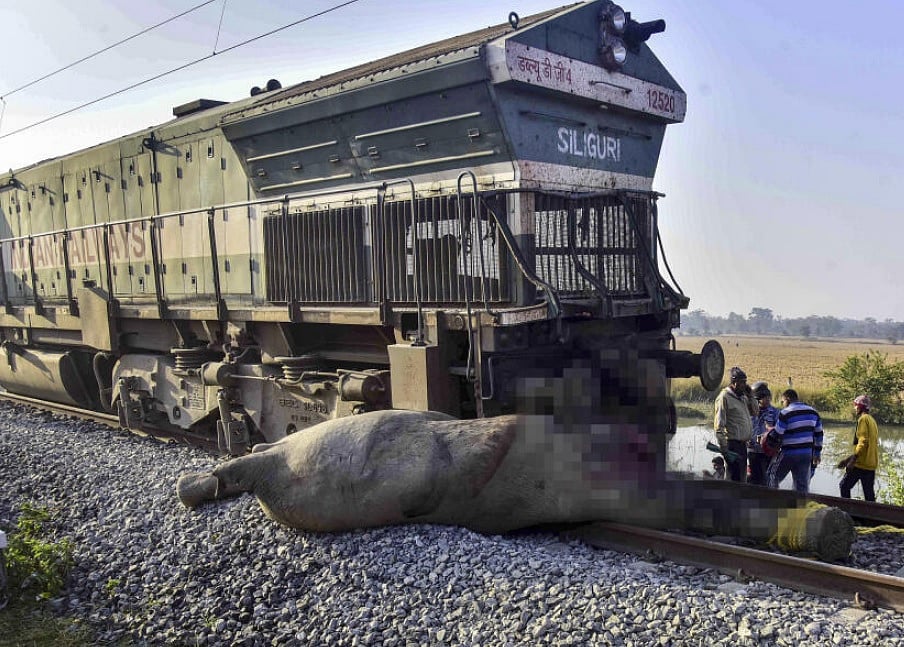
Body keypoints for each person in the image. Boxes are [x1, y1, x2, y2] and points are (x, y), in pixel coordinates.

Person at [765, 389, 823, 494]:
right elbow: (819, 435)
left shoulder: (786, 413)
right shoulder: (813, 412)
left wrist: (767, 437)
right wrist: (817, 454)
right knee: (801, 485)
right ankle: (800, 503)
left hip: (788, 453)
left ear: (787, 399)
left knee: (772, 476)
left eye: (782, 402)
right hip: (806, 454)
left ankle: (771, 499)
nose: (782, 404)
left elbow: (778, 433)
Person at [713, 366, 757, 482]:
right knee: (733, 479)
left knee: (742, 479)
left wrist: (751, 396)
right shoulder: (724, 397)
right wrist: (724, 448)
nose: (744, 385)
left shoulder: (743, 397)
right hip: (732, 445)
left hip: (742, 445)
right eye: (741, 382)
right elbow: (719, 426)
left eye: (745, 382)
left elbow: (755, 412)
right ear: (734, 382)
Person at [837, 394, 879, 501]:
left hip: (861, 464)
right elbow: (868, 444)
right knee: (869, 496)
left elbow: (863, 441)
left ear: (860, 407)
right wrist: (847, 460)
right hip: (870, 464)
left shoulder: (863, 419)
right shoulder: (872, 420)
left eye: (856, 405)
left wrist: (853, 460)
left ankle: (848, 510)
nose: (855, 408)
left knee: (844, 486)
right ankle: (870, 512)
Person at [748, 381, 778, 486]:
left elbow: (779, 432)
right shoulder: (749, 411)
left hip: (768, 452)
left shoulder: (775, 412)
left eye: (769, 397)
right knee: (753, 479)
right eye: (765, 397)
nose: (768, 399)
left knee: (766, 480)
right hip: (752, 450)